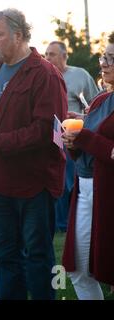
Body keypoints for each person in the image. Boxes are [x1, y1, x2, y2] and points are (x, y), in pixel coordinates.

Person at [0, 9, 67, 300]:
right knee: (4, 255)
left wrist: (3, 142)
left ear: (20, 35)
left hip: (32, 183)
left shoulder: (45, 74)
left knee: (38, 256)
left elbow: (47, 130)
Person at [62, 33, 114, 300]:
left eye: (112, 58)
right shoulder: (100, 100)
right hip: (84, 189)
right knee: (78, 270)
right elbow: (85, 146)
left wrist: (85, 137)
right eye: (103, 56)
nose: (104, 63)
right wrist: (73, 141)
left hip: (108, 193)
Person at [45, 41, 99, 233]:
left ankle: (70, 221)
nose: (47, 58)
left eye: (52, 54)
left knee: (70, 177)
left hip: (73, 134)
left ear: (64, 56)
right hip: (50, 133)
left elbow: (96, 102)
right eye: (46, 54)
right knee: (55, 176)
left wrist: (85, 114)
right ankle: (59, 222)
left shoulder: (80, 75)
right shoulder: (45, 76)